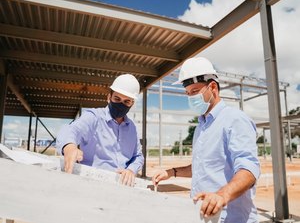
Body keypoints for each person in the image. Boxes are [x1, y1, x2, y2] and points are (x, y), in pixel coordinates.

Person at [152, 57, 260, 223]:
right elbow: (202, 166)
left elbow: (249, 170)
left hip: (231, 218)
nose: (190, 98)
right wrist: (171, 172)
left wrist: (222, 195)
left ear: (213, 87)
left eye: (194, 91)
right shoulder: (201, 126)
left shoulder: (235, 120)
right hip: (204, 216)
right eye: (187, 93)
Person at [56, 74, 144, 187]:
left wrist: (131, 170)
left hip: (121, 187)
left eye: (126, 101)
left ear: (132, 103)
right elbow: (71, 130)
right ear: (109, 97)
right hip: (92, 184)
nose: (121, 104)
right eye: (117, 99)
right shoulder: (94, 117)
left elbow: (138, 156)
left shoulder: (132, 127)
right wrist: (69, 146)